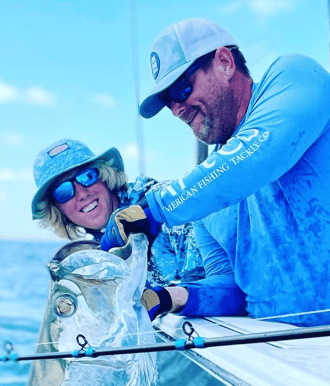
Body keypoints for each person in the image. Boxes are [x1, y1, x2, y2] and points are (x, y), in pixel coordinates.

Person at [100, 17, 330, 327]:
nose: (177, 109)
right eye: (168, 103)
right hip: (280, 360)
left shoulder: (297, 77)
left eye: (181, 88)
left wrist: (153, 209)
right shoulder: (205, 202)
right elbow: (235, 292)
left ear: (224, 62)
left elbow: (259, 154)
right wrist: (174, 297)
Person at [31, 138, 206, 319]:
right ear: (56, 210)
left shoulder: (166, 203)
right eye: (63, 192)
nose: (82, 194)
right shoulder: (94, 261)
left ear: (105, 176)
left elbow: (215, 283)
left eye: (87, 177)